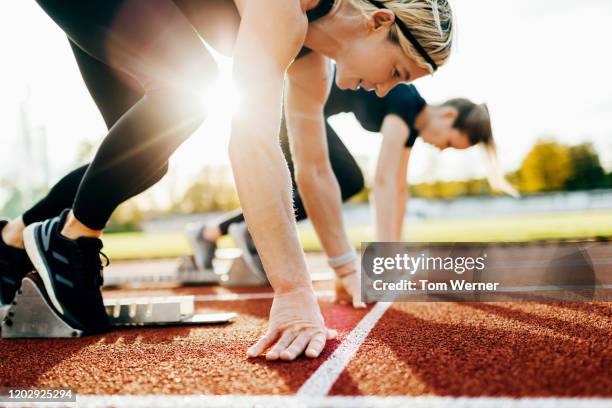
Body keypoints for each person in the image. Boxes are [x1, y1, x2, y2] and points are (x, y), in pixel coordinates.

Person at [1, 0, 454, 361]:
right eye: (397, 72)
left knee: (142, 158)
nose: (385, 90)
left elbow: (313, 170)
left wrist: (344, 267)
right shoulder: (286, 9)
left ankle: (10, 240)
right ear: (379, 21)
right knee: (186, 91)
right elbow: (252, 140)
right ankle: (70, 241)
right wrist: (294, 292)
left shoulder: (311, 65)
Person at [187, 80, 518, 302]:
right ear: (447, 115)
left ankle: (214, 230)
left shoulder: (409, 123)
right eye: (447, 143)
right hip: (291, 99)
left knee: (344, 179)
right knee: (343, 177)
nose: (440, 149)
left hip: (304, 107)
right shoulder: (405, 101)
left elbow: (399, 190)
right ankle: (234, 229)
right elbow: (384, 181)